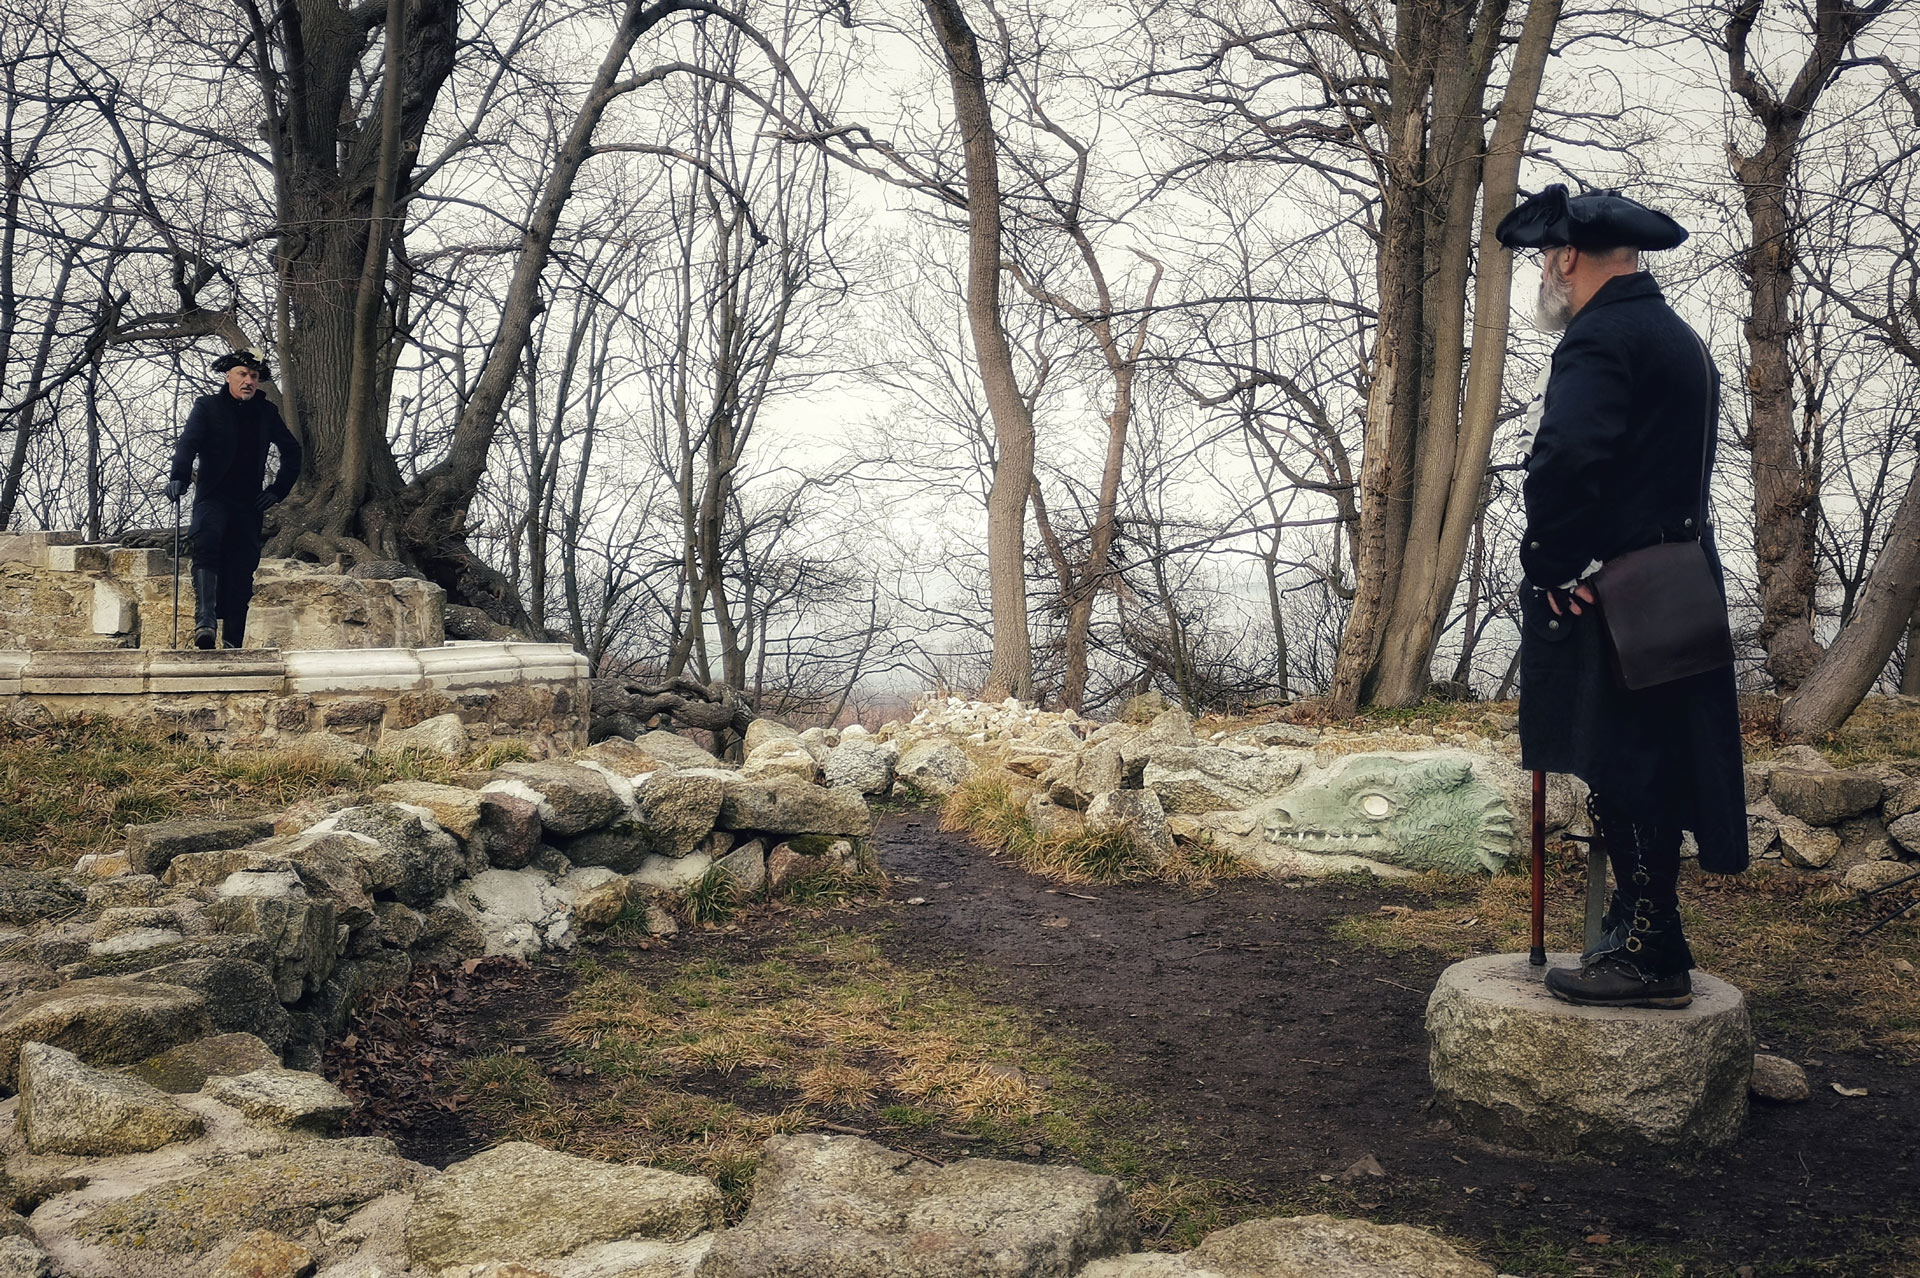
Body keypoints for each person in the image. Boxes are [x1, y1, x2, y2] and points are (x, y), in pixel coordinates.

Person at [1496, 185, 1747, 1009]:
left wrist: (1555, 566)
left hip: (1620, 585)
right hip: (1679, 576)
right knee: (1652, 758)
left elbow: (1568, 460)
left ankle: (1650, 955)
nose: (1544, 269)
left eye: (1544, 256)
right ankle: (1642, 931)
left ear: (1568, 256)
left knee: (1627, 760)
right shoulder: (1677, 337)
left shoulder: (1600, 337)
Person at [166, 350, 302, 649]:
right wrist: (179, 476)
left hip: (248, 503)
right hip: (212, 495)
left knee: (242, 568)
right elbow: (188, 444)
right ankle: (205, 621)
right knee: (207, 542)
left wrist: (277, 490)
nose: (249, 381)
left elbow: (292, 453)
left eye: (254, 376)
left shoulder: (266, 413)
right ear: (228, 376)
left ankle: (232, 642)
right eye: (243, 374)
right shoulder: (208, 407)